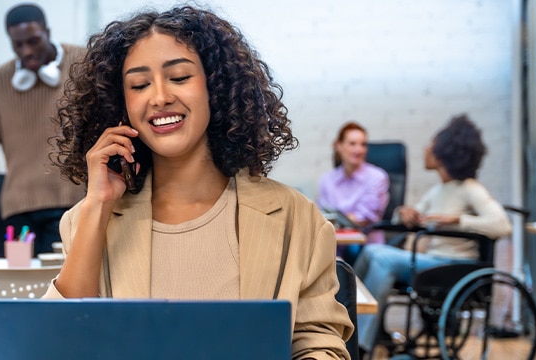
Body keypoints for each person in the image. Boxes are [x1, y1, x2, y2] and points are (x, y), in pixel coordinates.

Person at [44, 6, 352, 359]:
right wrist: (98, 204)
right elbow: (63, 342)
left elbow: (318, 342)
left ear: (215, 88)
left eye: (179, 77)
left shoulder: (297, 218)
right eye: (140, 85)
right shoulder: (86, 221)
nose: (159, 97)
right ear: (122, 104)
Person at [352, 114, 512, 354]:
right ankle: (354, 326)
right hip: (434, 265)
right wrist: (402, 213)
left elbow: (503, 226)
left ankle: (360, 344)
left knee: (379, 255)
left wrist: (458, 220)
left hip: (452, 267)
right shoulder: (438, 191)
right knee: (372, 252)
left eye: (432, 143)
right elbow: (413, 217)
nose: (426, 148)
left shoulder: (470, 189)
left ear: (446, 150)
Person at [0, 3, 86, 255]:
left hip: (71, 204)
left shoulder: (82, 63)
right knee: (22, 286)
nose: (26, 51)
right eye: (18, 45)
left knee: (63, 286)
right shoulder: (1, 79)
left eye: (33, 41)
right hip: (19, 211)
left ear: (48, 32)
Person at [317, 121, 389, 262]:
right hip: (334, 246)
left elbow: (364, 218)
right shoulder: (327, 180)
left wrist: (337, 220)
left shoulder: (377, 177)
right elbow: (323, 216)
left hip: (366, 248)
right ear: (338, 146)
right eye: (352, 143)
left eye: (363, 144)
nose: (359, 149)